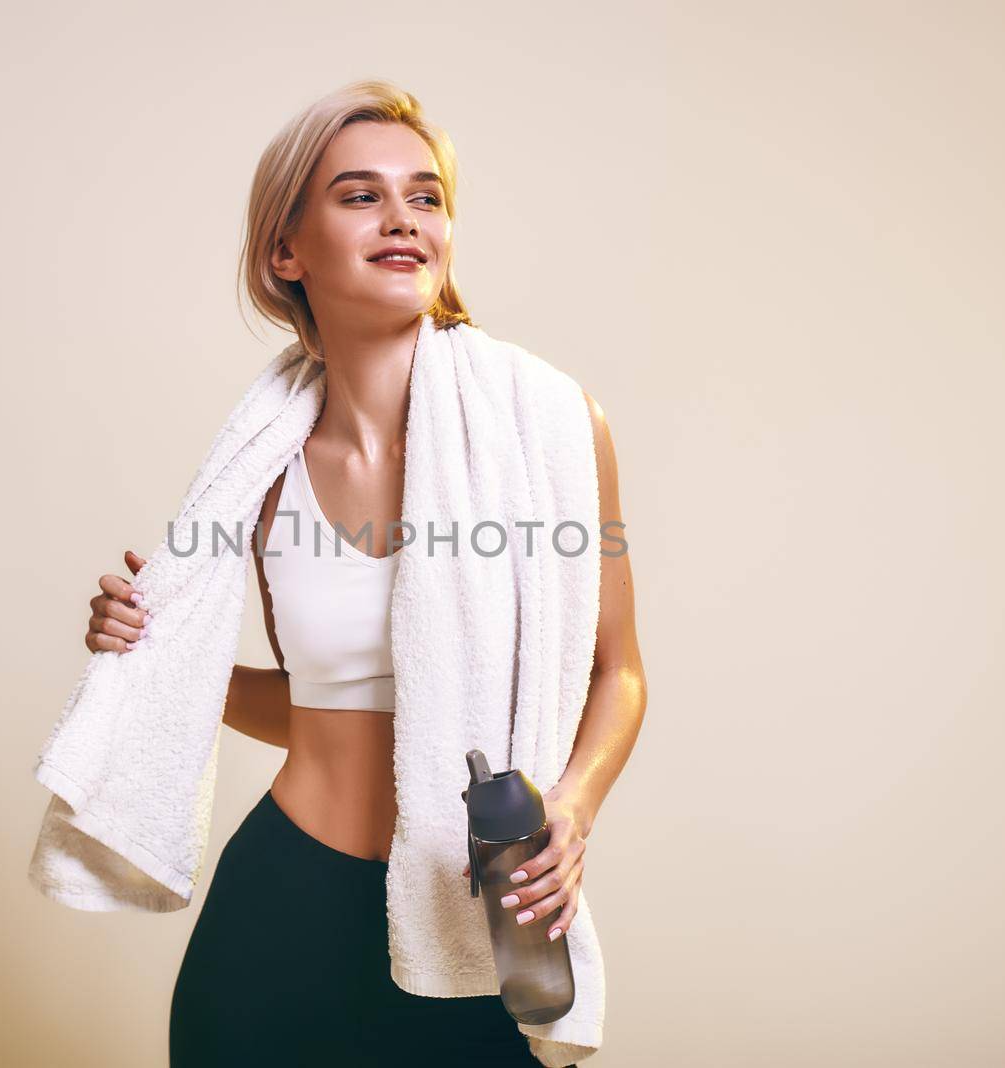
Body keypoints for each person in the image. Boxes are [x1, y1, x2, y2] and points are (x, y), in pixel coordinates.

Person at [82, 80, 646, 1067]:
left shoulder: (553, 427)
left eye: (424, 197)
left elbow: (618, 672)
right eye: (359, 195)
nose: (402, 220)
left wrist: (573, 806)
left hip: (472, 915)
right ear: (285, 251)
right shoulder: (259, 474)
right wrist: (165, 659)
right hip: (281, 905)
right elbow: (315, 705)